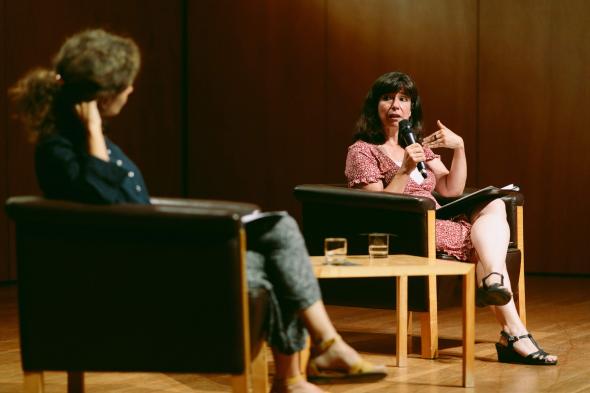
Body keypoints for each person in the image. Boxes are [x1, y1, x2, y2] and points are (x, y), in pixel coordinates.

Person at [9, 29, 386, 393]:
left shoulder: (79, 141)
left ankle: (310, 363)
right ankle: (306, 366)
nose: (131, 88)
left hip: (154, 251)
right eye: (125, 83)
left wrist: (94, 133)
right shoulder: (60, 149)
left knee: (278, 236)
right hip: (141, 269)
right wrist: (93, 132)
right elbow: (104, 205)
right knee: (276, 253)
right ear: (101, 94)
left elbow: (119, 205)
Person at [345, 71, 557, 366]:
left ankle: (497, 287)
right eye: (387, 98)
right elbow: (377, 208)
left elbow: (450, 188)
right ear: (374, 106)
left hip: (437, 220)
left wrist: (459, 148)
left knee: (494, 204)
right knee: (483, 242)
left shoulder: (416, 143)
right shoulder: (362, 151)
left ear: (411, 108)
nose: (395, 105)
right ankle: (513, 332)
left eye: (403, 99)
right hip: (404, 228)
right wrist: (405, 169)